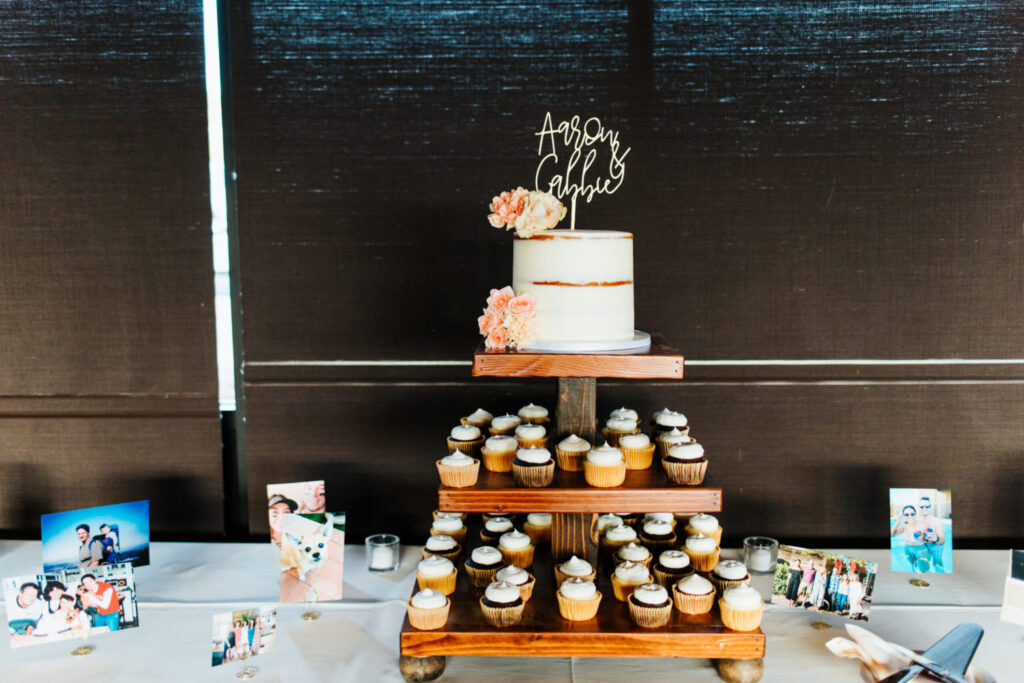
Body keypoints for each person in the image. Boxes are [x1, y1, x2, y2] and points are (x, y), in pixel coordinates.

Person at [891, 504, 929, 571]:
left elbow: (929, 540)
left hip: (920, 549)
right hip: (908, 549)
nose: (910, 516)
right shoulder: (904, 526)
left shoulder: (922, 526)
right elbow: (892, 534)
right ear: (904, 516)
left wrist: (923, 538)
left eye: (912, 514)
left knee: (923, 568)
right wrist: (898, 521)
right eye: (906, 514)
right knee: (913, 567)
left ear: (915, 514)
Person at [918, 496, 946, 571]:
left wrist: (936, 539)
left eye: (927, 506)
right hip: (924, 545)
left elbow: (942, 540)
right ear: (919, 507)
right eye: (922, 506)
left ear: (930, 507)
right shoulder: (918, 521)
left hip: (936, 546)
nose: (925, 508)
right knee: (922, 565)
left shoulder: (937, 522)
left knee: (937, 563)